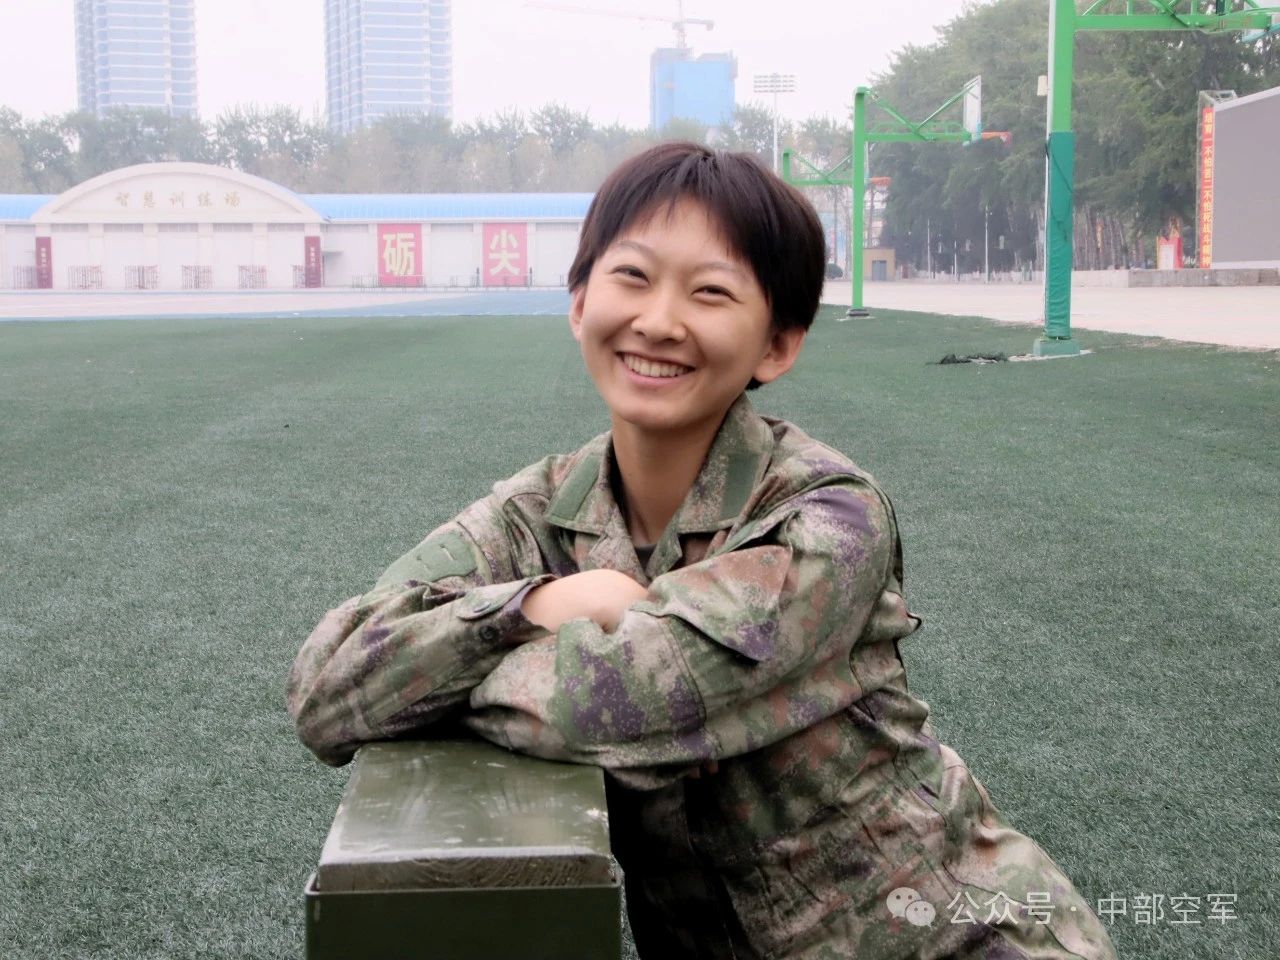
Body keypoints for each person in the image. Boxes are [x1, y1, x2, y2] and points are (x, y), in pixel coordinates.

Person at [287, 142, 1117, 960]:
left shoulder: (828, 517)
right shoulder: (538, 511)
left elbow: (608, 706)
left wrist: (431, 682)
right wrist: (545, 605)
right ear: (579, 302)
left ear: (777, 345)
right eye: (632, 276)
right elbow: (326, 685)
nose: (658, 321)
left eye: (710, 292)